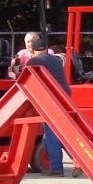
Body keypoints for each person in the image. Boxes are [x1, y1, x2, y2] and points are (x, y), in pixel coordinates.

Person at [29, 40, 69, 176]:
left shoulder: (34, 62)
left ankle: (57, 169)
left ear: (32, 51)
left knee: (52, 134)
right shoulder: (57, 61)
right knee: (59, 134)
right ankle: (77, 160)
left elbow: (26, 81)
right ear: (46, 49)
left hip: (51, 101)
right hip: (65, 98)